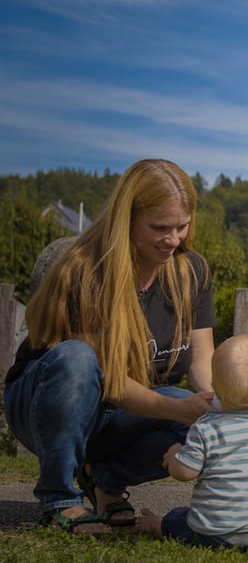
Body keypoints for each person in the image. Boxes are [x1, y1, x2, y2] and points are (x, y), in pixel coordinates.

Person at [3, 159, 216, 534]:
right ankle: (59, 499)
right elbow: (108, 382)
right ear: (127, 220)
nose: (173, 239)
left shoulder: (191, 271)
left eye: (181, 226)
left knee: (205, 430)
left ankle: (105, 479)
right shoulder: (84, 271)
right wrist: (177, 407)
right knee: (76, 358)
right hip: (48, 405)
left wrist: (231, 405)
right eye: (160, 228)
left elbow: (203, 364)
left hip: (122, 411)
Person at [135, 334, 248, 551]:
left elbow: (185, 472)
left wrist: (175, 454)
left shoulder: (206, 427)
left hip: (218, 534)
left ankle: (157, 524)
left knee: (179, 517)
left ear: (214, 387)